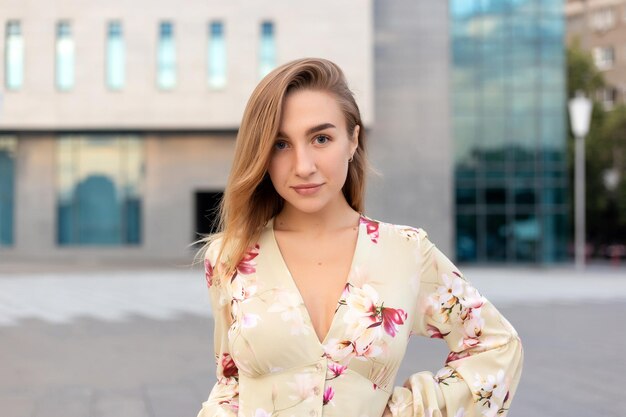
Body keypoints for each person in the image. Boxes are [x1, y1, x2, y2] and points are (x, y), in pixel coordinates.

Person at [194, 57, 523, 417]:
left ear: (353, 141)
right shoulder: (230, 256)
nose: (303, 166)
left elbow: (496, 346)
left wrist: (409, 411)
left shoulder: (406, 252)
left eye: (321, 138)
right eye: (280, 144)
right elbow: (230, 383)